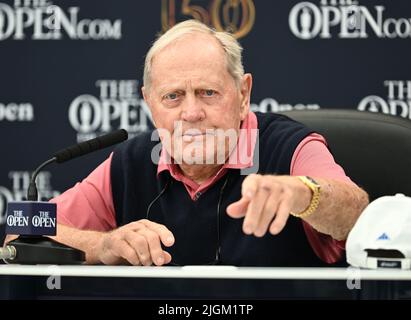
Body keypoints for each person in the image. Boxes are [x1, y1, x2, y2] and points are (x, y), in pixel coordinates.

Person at [6, 20, 368, 267]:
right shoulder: (130, 163)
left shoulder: (289, 147)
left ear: (243, 95)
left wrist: (304, 195)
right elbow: (21, 238)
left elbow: (356, 216)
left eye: (208, 92)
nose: (191, 112)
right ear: (150, 104)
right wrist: (103, 245)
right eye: (173, 97)